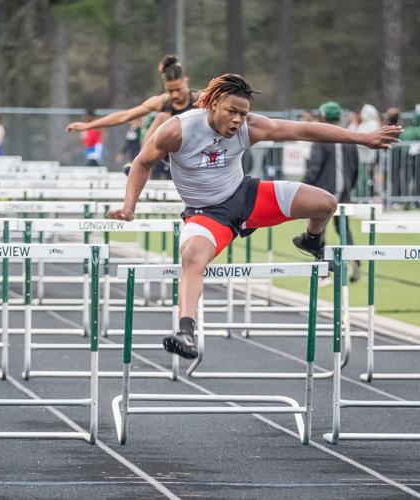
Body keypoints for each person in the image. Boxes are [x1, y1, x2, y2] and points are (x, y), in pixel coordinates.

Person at [109, 74, 402, 360]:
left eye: (243, 114)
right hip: (207, 214)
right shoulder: (178, 130)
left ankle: (313, 241)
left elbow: (305, 131)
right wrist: (129, 206)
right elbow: (141, 164)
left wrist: (362, 138)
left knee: (325, 203)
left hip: (245, 197)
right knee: (192, 257)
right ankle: (186, 331)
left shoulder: (251, 127)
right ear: (212, 104)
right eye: (231, 112)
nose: (237, 120)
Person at [66, 54, 198, 168]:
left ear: (186, 81)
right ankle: (139, 164)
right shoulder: (161, 102)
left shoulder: (201, 99)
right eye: (170, 90)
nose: (174, 95)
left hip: (197, 152)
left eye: (178, 89)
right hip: (168, 152)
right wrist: (87, 126)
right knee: (162, 117)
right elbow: (124, 116)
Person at [302, 101, 360, 282]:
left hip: (324, 192)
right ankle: (355, 262)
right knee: (343, 228)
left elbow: (314, 167)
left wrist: (303, 187)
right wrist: (349, 188)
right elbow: (355, 167)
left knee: (318, 230)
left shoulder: (322, 138)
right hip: (344, 192)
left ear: (324, 117)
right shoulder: (349, 138)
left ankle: (323, 272)